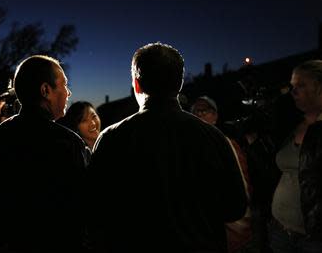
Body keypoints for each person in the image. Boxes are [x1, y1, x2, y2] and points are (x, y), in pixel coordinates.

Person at [87, 42, 247, 252]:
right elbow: (234, 207)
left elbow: (95, 208)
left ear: (136, 84)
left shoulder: (112, 138)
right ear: (179, 84)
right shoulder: (212, 137)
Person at [0, 55, 87, 253]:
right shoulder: (66, 142)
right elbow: (82, 207)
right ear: (46, 90)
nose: (69, 92)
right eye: (64, 85)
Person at [268, 60, 322, 253]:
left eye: (300, 85)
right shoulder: (292, 124)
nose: (293, 92)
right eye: (292, 86)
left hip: (312, 239)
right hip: (280, 229)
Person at [191, 96, 257, 253]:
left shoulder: (226, 144)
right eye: (196, 112)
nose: (199, 114)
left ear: (215, 116)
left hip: (232, 235)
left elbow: (244, 187)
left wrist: (240, 230)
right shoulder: (191, 148)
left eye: (205, 110)